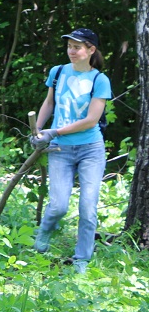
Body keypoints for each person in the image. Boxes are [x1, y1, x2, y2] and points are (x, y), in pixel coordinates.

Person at [31, 27, 111, 274]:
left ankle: (81, 260)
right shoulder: (57, 73)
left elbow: (90, 120)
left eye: (77, 47)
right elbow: (49, 103)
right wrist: (39, 130)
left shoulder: (99, 80)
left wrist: (54, 132)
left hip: (90, 149)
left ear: (91, 50)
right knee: (59, 206)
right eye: (69, 46)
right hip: (60, 150)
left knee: (88, 207)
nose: (71, 51)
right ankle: (43, 235)